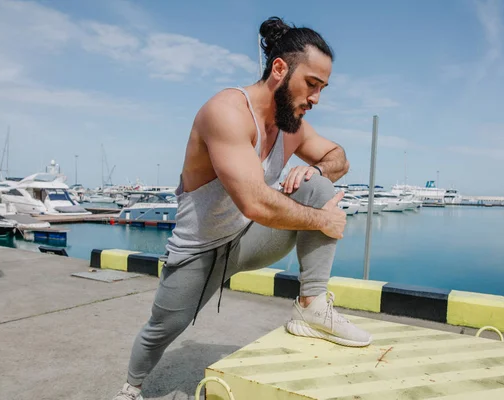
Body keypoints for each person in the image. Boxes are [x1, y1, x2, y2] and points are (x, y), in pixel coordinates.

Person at [113, 16, 372, 400]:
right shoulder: (227, 111)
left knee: (317, 186)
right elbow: (253, 201)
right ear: (280, 69)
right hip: (201, 251)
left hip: (250, 239)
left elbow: (339, 158)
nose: (316, 98)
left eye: (322, 88)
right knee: (164, 326)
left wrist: (313, 169)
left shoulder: (290, 123)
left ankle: (311, 307)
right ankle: (130, 389)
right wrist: (325, 221)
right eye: (312, 84)